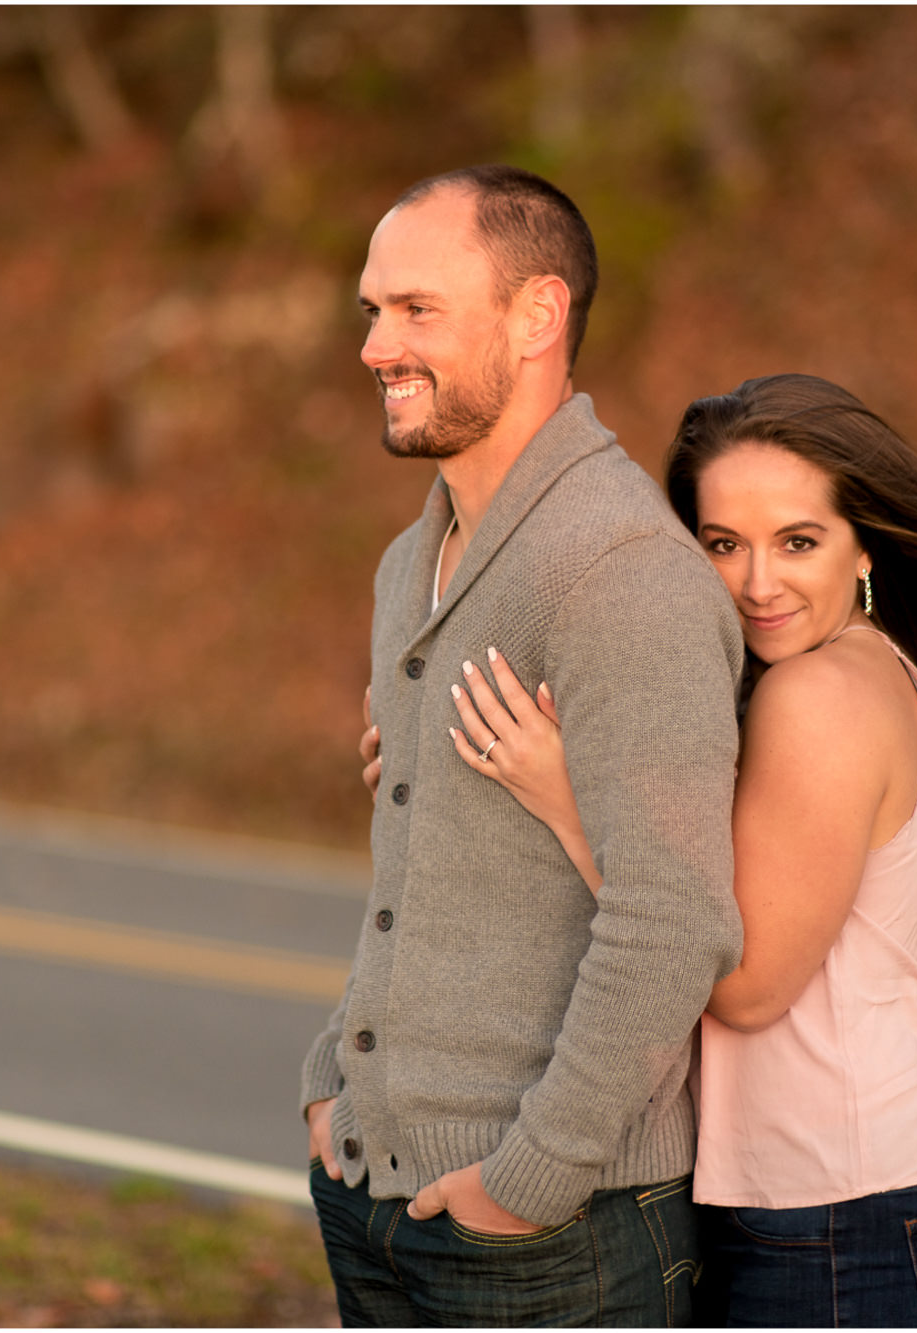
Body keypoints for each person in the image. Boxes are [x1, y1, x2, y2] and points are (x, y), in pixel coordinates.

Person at [439, 373, 917, 1327]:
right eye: (722, 544)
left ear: (864, 542)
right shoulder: (862, 669)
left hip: (844, 1216)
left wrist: (569, 804)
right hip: (869, 1200)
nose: (758, 582)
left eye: (798, 541)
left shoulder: (818, 698)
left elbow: (744, 984)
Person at [303, 164, 747, 1326]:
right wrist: (330, 1077)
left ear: (536, 316)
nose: (373, 347)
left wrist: (532, 1180)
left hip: (553, 1236)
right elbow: (415, 860)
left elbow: (673, 915)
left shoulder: (620, 573)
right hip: (376, 1192)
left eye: (416, 310)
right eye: (371, 311)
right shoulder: (414, 563)